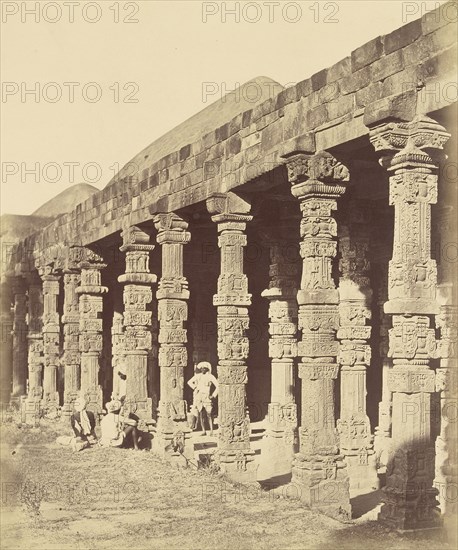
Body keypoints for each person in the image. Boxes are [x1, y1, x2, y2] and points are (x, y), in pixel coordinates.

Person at [187, 361, 218, 436]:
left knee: (209, 414)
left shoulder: (210, 376)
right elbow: (189, 382)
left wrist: (213, 395)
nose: (202, 370)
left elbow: (218, 385)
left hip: (206, 396)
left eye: (204, 368)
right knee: (201, 414)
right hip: (199, 396)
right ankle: (203, 430)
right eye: (201, 368)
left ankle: (211, 431)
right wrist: (195, 387)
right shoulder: (198, 376)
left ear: (207, 369)